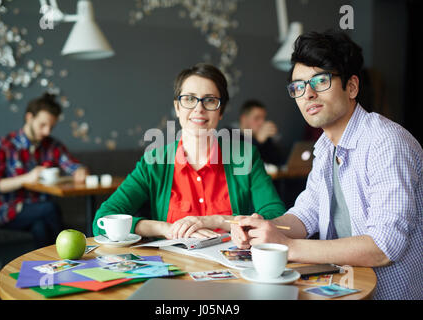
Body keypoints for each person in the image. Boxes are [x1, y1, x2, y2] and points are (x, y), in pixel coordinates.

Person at [230, 30, 422, 300]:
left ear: (352, 87)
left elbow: (383, 246)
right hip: (344, 291)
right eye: (298, 86)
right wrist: (263, 229)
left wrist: (288, 247)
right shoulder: (325, 148)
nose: (307, 94)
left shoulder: (386, 142)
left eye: (320, 81)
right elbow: (304, 214)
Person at [93, 63, 285, 240]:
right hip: (171, 271)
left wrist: (218, 221)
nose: (199, 108)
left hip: (232, 268)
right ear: (177, 107)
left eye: (209, 101)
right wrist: (164, 228)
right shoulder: (154, 161)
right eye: (189, 99)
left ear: (221, 111)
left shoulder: (246, 156)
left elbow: (277, 217)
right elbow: (102, 221)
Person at [0, 93, 89, 248]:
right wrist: (26, 178)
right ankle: (74, 254)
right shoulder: (4, 145)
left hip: (41, 212)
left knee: (40, 227)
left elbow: (73, 165)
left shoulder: (52, 145)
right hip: (11, 211)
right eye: (42, 125)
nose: (47, 131)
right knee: (50, 208)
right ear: (29, 118)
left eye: (51, 127)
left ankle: (49, 269)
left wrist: (80, 170)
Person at [238, 99, 283, 166]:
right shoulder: (229, 135)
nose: (262, 122)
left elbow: (278, 161)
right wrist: (258, 141)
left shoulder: (265, 139)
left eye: (263, 118)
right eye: (257, 118)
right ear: (243, 119)